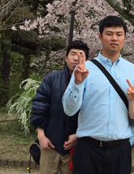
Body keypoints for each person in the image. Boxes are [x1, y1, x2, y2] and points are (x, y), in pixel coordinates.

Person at [62, 15, 134, 174]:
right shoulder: (85, 69)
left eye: (119, 34)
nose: (114, 38)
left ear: (125, 38)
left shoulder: (133, 71)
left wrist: (130, 141)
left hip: (120, 149)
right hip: (88, 148)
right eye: (109, 33)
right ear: (100, 36)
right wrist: (78, 83)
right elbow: (69, 110)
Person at [30, 40, 89, 174]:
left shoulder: (91, 82)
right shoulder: (52, 78)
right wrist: (41, 135)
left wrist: (79, 135)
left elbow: (92, 113)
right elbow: (40, 106)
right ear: (65, 58)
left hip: (76, 147)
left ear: (86, 60)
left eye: (81, 54)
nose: (76, 58)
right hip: (50, 144)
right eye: (73, 54)